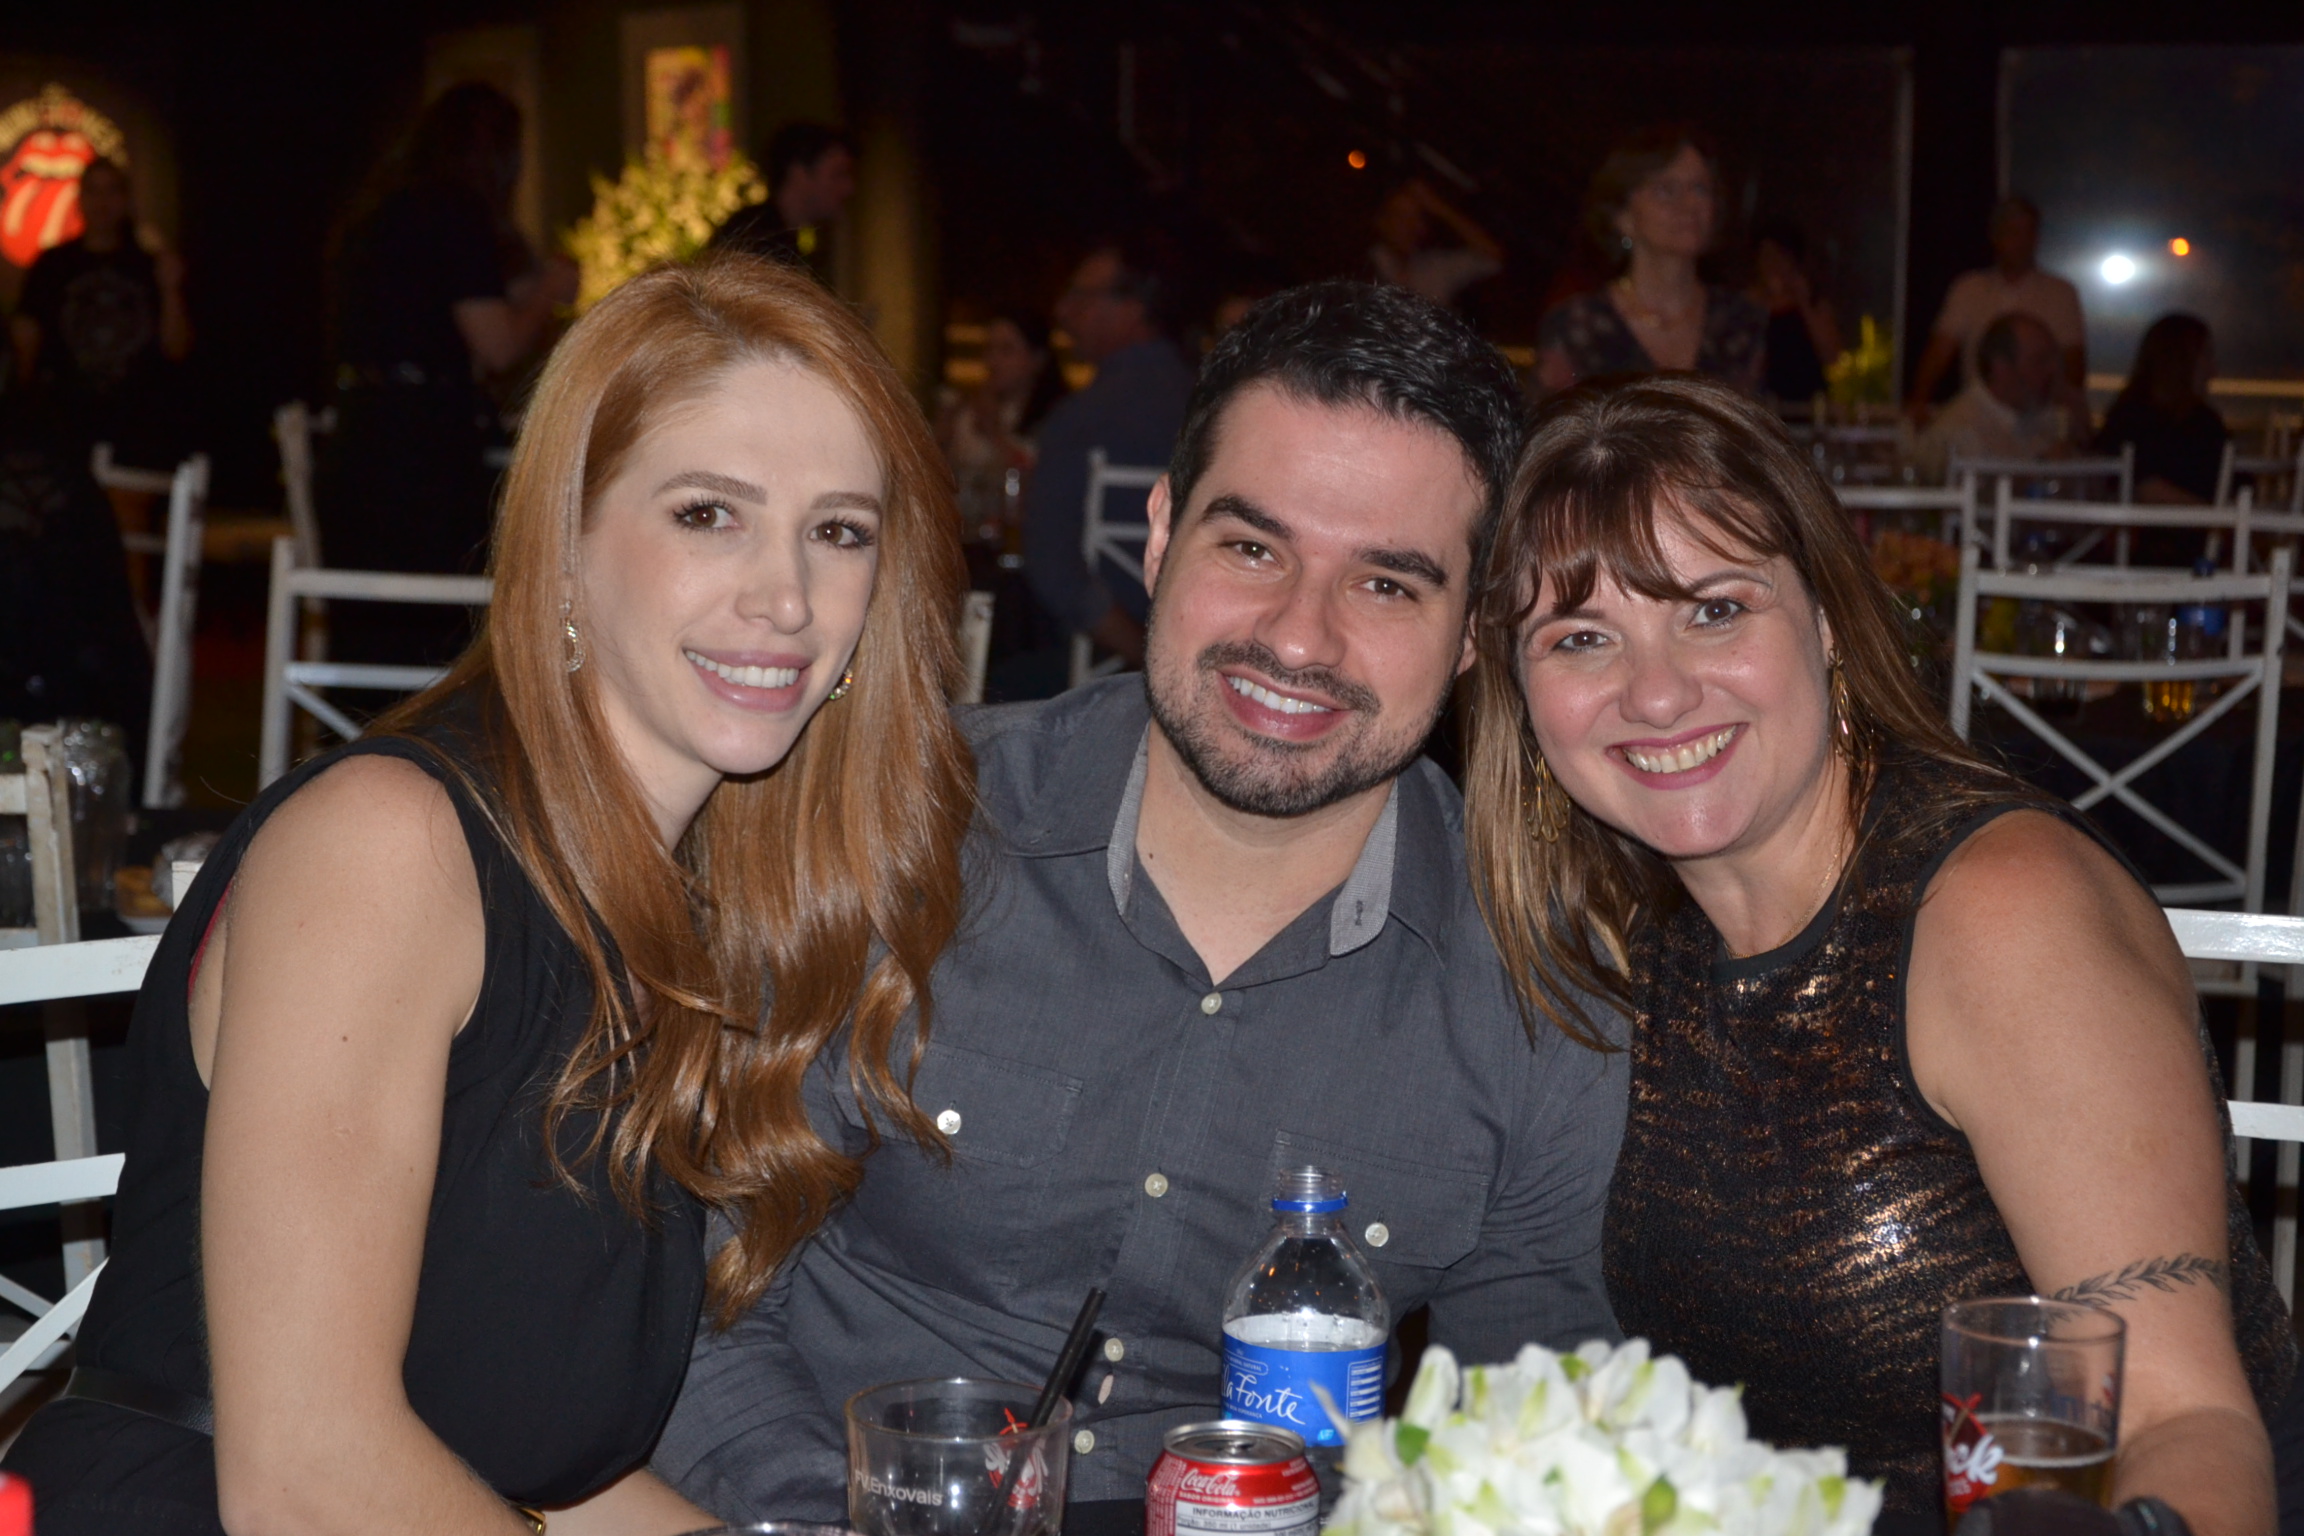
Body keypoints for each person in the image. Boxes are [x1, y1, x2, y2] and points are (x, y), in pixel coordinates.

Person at [0, 255, 979, 1536]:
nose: (786, 598)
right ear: (564, 548)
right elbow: (304, 1476)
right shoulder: (392, 847)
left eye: (839, 531)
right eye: (708, 514)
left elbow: (548, 1478)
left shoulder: (677, 908)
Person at [655, 282, 1628, 1528]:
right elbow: (695, 1295)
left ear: (1474, 631)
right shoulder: (896, 831)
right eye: (1253, 549)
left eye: (1388, 585)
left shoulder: (1544, 996)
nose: (1300, 638)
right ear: (1161, 536)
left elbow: (1527, 1444)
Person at [1465, 373, 2300, 1536]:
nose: (1655, 693)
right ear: (1518, 690)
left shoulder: (1997, 916)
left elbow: (2186, 1422)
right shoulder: (1620, 929)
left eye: (1714, 610)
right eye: (1583, 638)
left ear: (1823, 620)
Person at [325, 81, 577, 663]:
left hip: (363, 441)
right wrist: (549, 292)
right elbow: (498, 345)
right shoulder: (455, 212)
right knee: (451, 624)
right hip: (415, 459)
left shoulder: (389, 207)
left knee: (374, 642)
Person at [1022, 238, 1196, 672]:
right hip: (1198, 650)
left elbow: (1053, 567)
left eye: (1082, 296)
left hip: (1098, 668)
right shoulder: (1215, 408)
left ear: (1133, 308)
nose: (1064, 310)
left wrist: (1144, 657)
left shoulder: (1081, 419)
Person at [1535, 126, 1765, 396]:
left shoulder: (1741, 321)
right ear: (1622, 216)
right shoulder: (1577, 325)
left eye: (1700, 188)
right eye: (1666, 190)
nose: (1689, 204)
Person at [10, 156, 191, 461]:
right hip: (67, 424)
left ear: (125, 200)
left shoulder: (150, 266)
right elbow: (27, 340)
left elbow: (177, 349)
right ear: (80, 199)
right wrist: (23, 413)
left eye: (111, 191)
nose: (102, 202)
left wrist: (171, 289)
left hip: (139, 423)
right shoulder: (52, 265)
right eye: (93, 191)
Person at [1907, 196, 2086, 420]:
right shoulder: (1969, 289)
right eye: (2013, 233)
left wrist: (2063, 417)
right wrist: (1919, 401)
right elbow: (1939, 352)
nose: (2022, 242)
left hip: (2038, 420)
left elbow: (2073, 365)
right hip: (1979, 420)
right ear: (1995, 237)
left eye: (2029, 233)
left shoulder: (2060, 293)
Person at [1911, 311, 2086, 481]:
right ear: (2001, 368)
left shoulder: (2049, 416)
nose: (2052, 371)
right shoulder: (1958, 433)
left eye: (2054, 361)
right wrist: (2041, 471)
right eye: (2039, 361)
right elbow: (1977, 497)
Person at [2094, 313, 2227, 505]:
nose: (2213, 371)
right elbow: (2144, 488)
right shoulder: (2132, 421)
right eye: (2206, 356)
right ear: (2180, 362)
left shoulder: (2205, 423)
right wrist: (2214, 515)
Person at [936, 307, 1069, 484]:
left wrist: (993, 432)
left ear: (1037, 359)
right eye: (989, 349)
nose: (993, 361)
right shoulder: (968, 412)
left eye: (1006, 350)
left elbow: (1041, 480)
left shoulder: (1057, 419)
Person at [707, 121, 858, 274]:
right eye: (837, 174)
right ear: (799, 174)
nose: (849, 187)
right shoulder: (759, 239)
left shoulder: (772, 233)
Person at [1368, 177, 1504, 311]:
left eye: (1414, 218)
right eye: (1399, 217)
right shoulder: (1368, 263)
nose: (1409, 226)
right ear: (1382, 221)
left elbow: (1493, 256)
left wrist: (1440, 208)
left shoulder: (1435, 269)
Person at [1749, 218, 1841, 406]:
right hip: (1765, 405)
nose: (1773, 264)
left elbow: (1833, 357)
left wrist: (1803, 302)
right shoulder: (1747, 305)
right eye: (1767, 256)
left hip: (1807, 406)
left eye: (1779, 257)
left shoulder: (1813, 303)